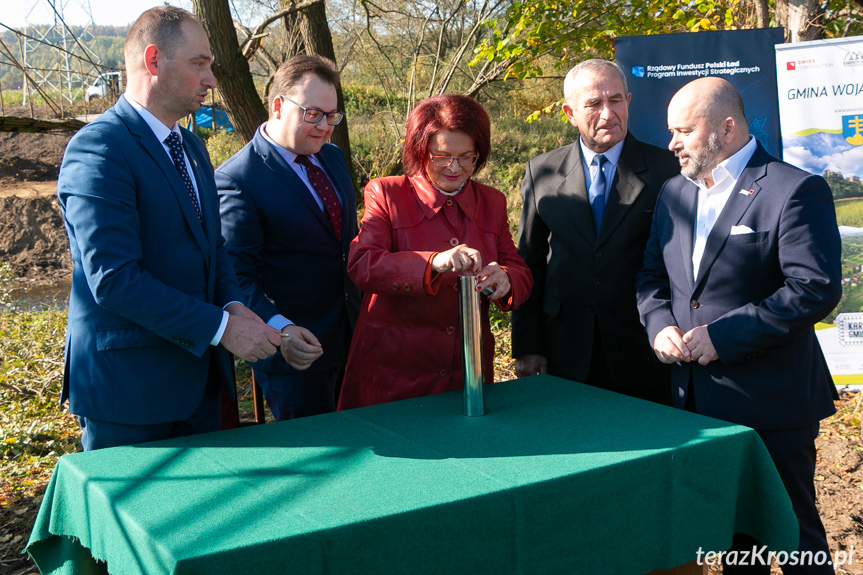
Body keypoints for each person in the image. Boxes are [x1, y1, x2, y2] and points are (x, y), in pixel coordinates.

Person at [636, 77, 840, 574]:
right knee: (732, 541)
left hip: (772, 404)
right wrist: (659, 324)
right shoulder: (672, 193)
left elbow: (813, 289)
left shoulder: (795, 189)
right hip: (696, 405)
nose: (672, 143)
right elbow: (652, 278)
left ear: (726, 128)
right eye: (670, 131)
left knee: (795, 537)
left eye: (683, 130)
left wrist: (722, 336)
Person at [57, 6, 282, 451]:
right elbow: (114, 279)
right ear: (154, 60)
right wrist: (221, 328)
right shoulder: (99, 147)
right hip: (129, 396)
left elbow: (212, 248)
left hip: (198, 387)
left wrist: (234, 305)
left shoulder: (192, 147)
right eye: (199, 64)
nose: (212, 80)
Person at [337, 94, 533, 409]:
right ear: (420, 150)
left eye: (466, 156)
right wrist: (434, 263)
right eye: (440, 156)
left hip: (467, 369)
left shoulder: (491, 201)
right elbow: (363, 264)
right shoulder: (387, 194)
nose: (454, 167)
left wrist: (506, 279)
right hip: (395, 371)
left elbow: (517, 268)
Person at [511, 59, 678, 403]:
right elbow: (529, 262)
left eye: (615, 100)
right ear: (569, 112)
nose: (607, 113)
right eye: (593, 104)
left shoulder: (667, 170)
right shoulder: (542, 172)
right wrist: (528, 346)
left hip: (645, 351)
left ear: (629, 101)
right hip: (564, 352)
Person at [217, 55, 360, 420]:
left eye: (332, 116)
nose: (325, 127)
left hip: (354, 339)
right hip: (296, 355)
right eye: (313, 114)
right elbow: (237, 278)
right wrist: (280, 330)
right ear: (278, 106)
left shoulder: (333, 158)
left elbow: (346, 247)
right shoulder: (237, 179)